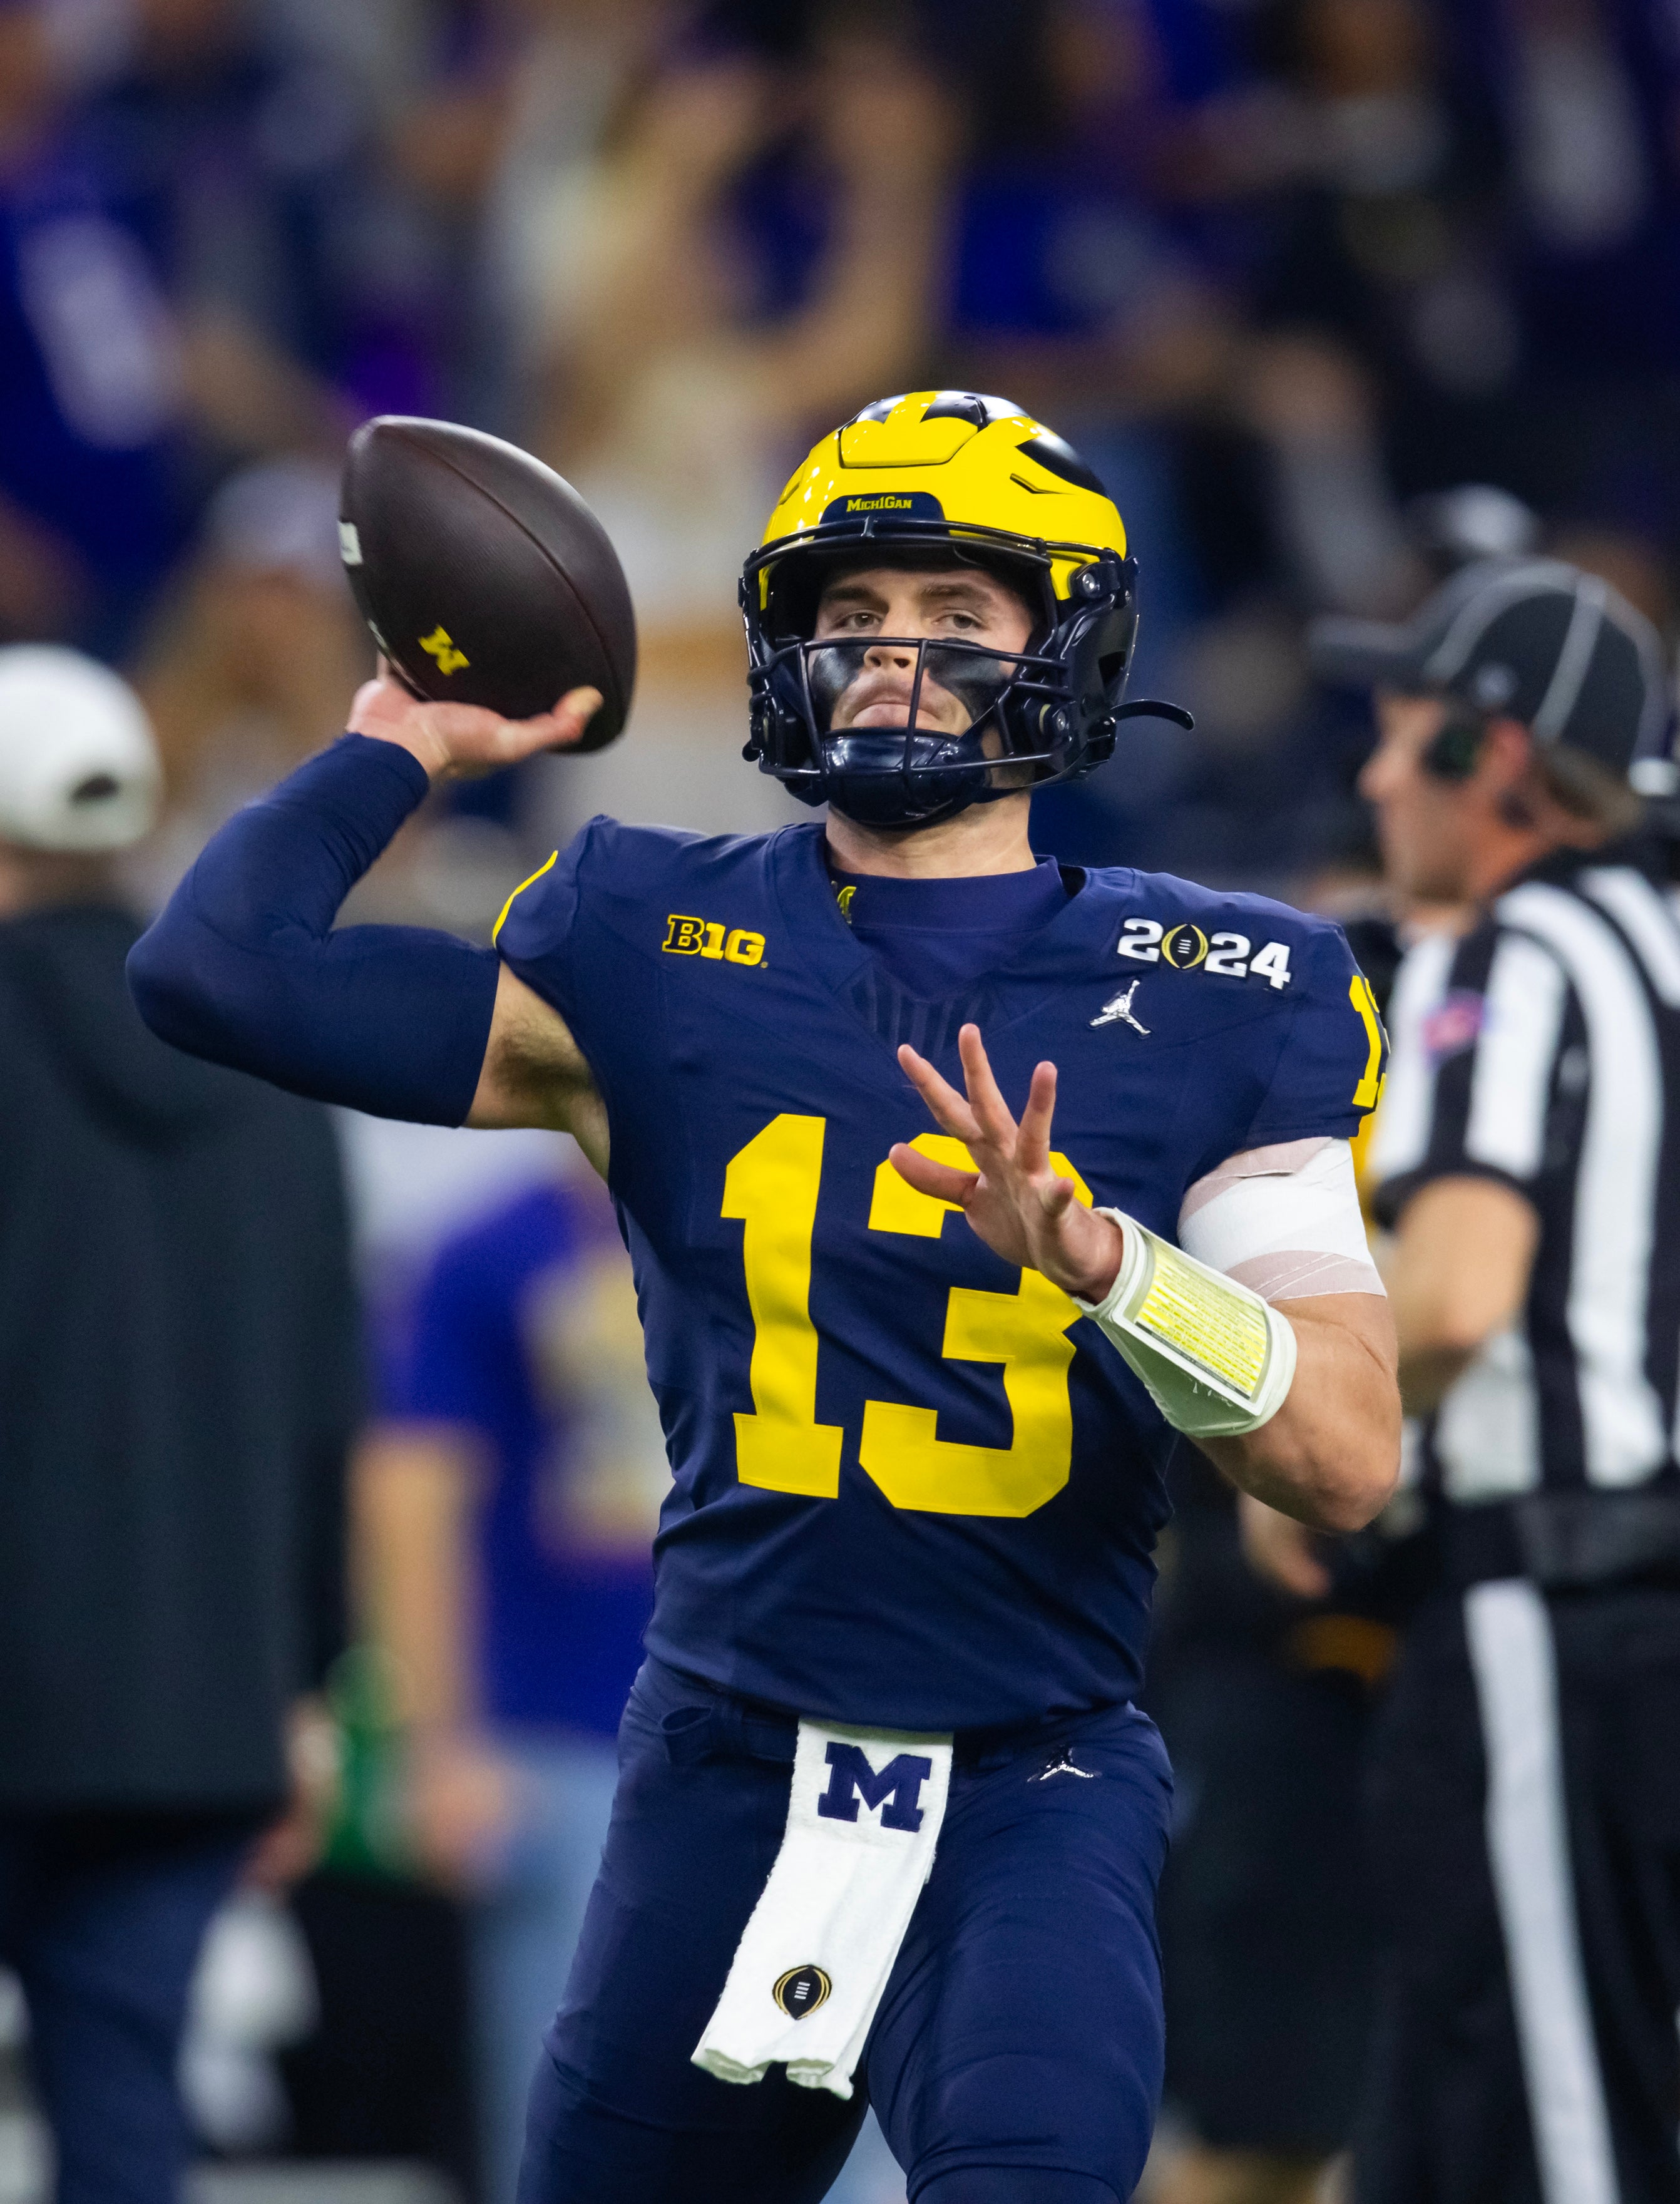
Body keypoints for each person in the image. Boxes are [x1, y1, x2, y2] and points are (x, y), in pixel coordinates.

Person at [130, 389, 1400, 2204]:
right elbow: (216, 972)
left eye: (958, 618)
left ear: (1070, 651)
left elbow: (1343, 1453)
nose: (891, 658)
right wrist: (399, 739)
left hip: (1022, 1786)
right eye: (849, 613)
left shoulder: (1225, 978)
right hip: (722, 1761)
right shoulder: (639, 929)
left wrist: (1116, 1266)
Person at [1248, 554, 1680, 2204]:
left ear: (1488, 758)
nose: (1368, 770)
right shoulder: (1650, 941)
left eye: (1399, 726)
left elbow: (1447, 1300)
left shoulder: (1510, 955)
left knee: (1561, 2127)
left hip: (1546, 1609)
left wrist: (1303, 1438)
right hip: (1626, 1608)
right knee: (1455, 2134)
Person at [0, 644, 359, 2204]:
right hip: (196, 1703)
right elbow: (321, 1399)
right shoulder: (266, 1058)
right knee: (127, 2115)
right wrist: (304, 1690)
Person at [357, 1161, 666, 2204]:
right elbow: (409, 1498)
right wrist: (436, 1747)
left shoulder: (796, 1230)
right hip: (563, 1749)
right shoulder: (491, 1251)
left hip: (777, 1742)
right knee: (576, 2131)